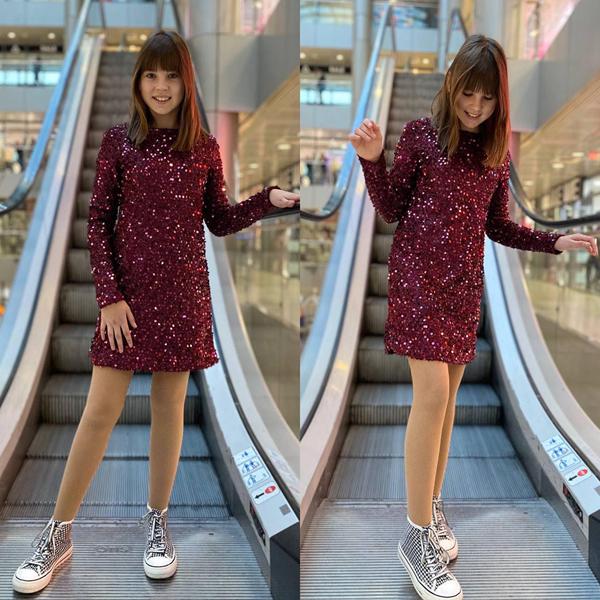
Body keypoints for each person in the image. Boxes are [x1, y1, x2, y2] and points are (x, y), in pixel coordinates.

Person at [12, 30, 299, 594]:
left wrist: (264, 202)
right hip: (127, 300)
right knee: (99, 411)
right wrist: (109, 297)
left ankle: (158, 522)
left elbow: (217, 219)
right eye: (151, 75)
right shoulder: (119, 142)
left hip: (183, 297)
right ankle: (57, 531)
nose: (161, 86)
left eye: (171, 76)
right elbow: (97, 223)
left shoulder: (204, 147)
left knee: (169, 410)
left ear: (185, 82)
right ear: (138, 82)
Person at [349, 34, 597, 600]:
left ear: (498, 100)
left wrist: (554, 242)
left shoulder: (494, 154)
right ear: (452, 84)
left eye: (487, 98)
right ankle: (415, 536)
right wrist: (372, 160)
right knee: (432, 396)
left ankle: (433, 507)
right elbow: (390, 207)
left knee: (448, 405)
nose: (475, 106)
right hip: (416, 281)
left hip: (462, 291)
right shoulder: (421, 135)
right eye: (469, 93)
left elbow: (498, 226)